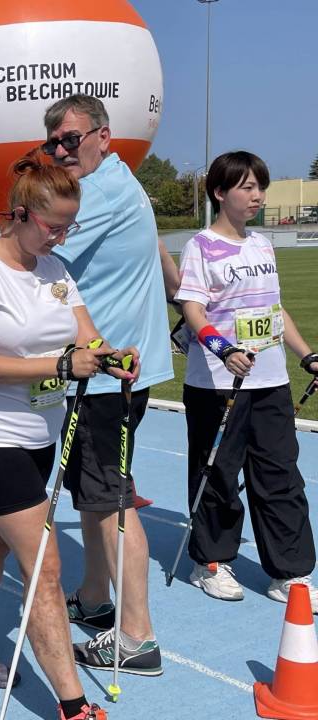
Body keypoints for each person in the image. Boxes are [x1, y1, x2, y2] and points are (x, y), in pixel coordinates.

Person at [0, 152, 136, 720]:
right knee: (45, 568)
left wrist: (112, 356)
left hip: (41, 435)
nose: (61, 237)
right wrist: (60, 365)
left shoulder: (56, 270)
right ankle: (74, 707)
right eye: (53, 226)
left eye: (69, 226)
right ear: (21, 214)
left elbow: (87, 337)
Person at [41, 94, 170, 676]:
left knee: (109, 499)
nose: (61, 151)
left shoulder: (98, 192)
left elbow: (38, 240)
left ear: (103, 136)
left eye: (71, 139)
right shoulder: (117, 180)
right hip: (110, 369)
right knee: (92, 497)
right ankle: (95, 598)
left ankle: (137, 637)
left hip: (105, 372)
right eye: (53, 143)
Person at [175, 150, 318, 608]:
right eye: (247, 187)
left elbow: (275, 311)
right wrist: (224, 350)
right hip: (218, 383)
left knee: (281, 476)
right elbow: (192, 310)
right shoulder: (201, 246)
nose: (258, 196)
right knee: (217, 474)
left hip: (270, 383)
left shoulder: (261, 244)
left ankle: (289, 572)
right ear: (220, 192)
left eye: (261, 187)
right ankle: (211, 562)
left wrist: (307, 355)